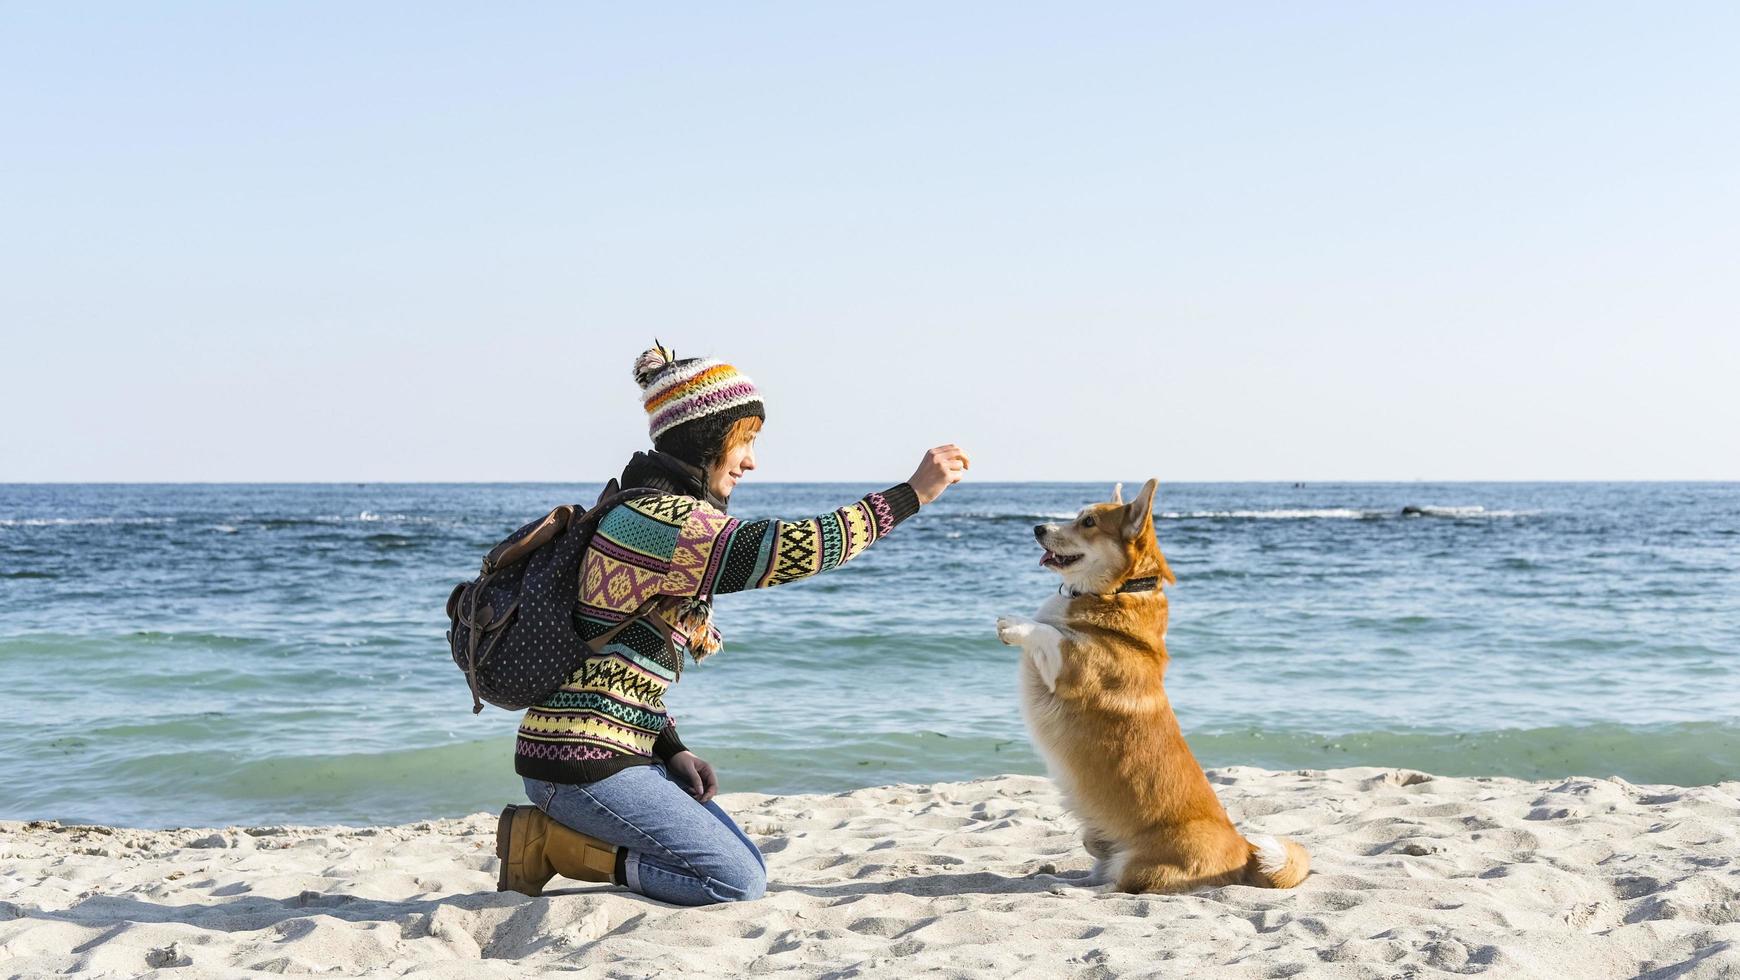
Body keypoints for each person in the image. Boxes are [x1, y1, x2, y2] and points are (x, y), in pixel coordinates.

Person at [496, 343, 970, 906]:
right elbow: (792, 549)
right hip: (578, 765)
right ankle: (549, 845)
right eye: (742, 442)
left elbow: (618, 661)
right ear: (704, 440)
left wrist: (670, 748)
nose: (750, 461)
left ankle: (564, 834)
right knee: (733, 882)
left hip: (607, 754)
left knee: (745, 864)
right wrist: (912, 494)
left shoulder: (645, 509)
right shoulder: (655, 521)